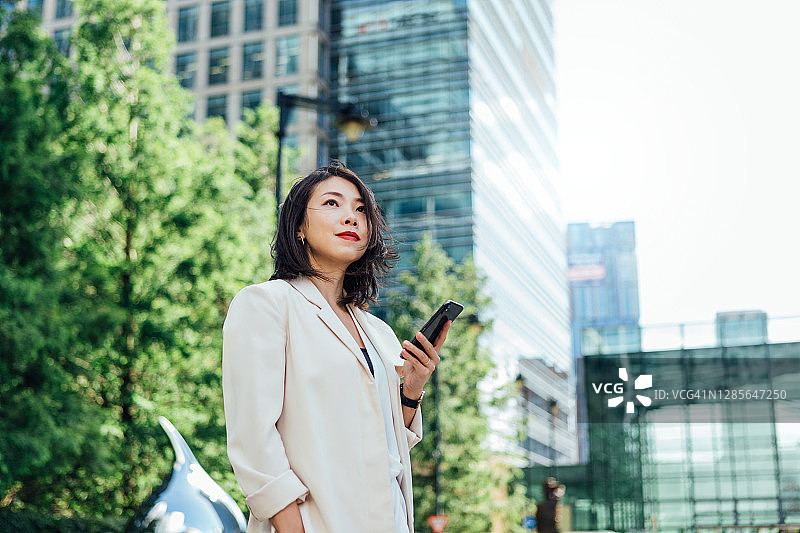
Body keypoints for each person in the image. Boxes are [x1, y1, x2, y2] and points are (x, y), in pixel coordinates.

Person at [222, 163, 451, 533]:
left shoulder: (378, 332)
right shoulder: (266, 304)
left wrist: (410, 391)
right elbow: (254, 442)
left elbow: (385, 450)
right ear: (299, 226)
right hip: (316, 521)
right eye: (332, 203)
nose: (351, 217)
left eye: (361, 209)